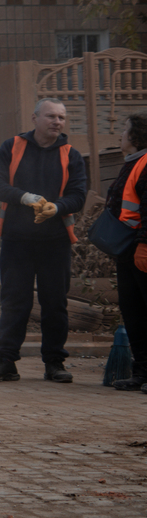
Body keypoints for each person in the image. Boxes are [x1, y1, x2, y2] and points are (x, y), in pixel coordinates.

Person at [0, 98, 90, 383]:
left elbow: (78, 196)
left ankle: (54, 363)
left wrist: (57, 207)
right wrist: (23, 197)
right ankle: (5, 362)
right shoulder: (12, 147)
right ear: (35, 118)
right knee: (15, 301)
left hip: (55, 241)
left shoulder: (71, 155)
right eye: (51, 116)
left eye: (62, 118)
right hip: (17, 240)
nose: (57, 122)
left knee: (55, 303)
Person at [103, 111, 147, 390]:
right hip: (127, 250)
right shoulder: (131, 164)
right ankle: (142, 372)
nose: (120, 134)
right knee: (134, 311)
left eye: (124, 129)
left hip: (140, 249)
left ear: (136, 136)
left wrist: (144, 244)